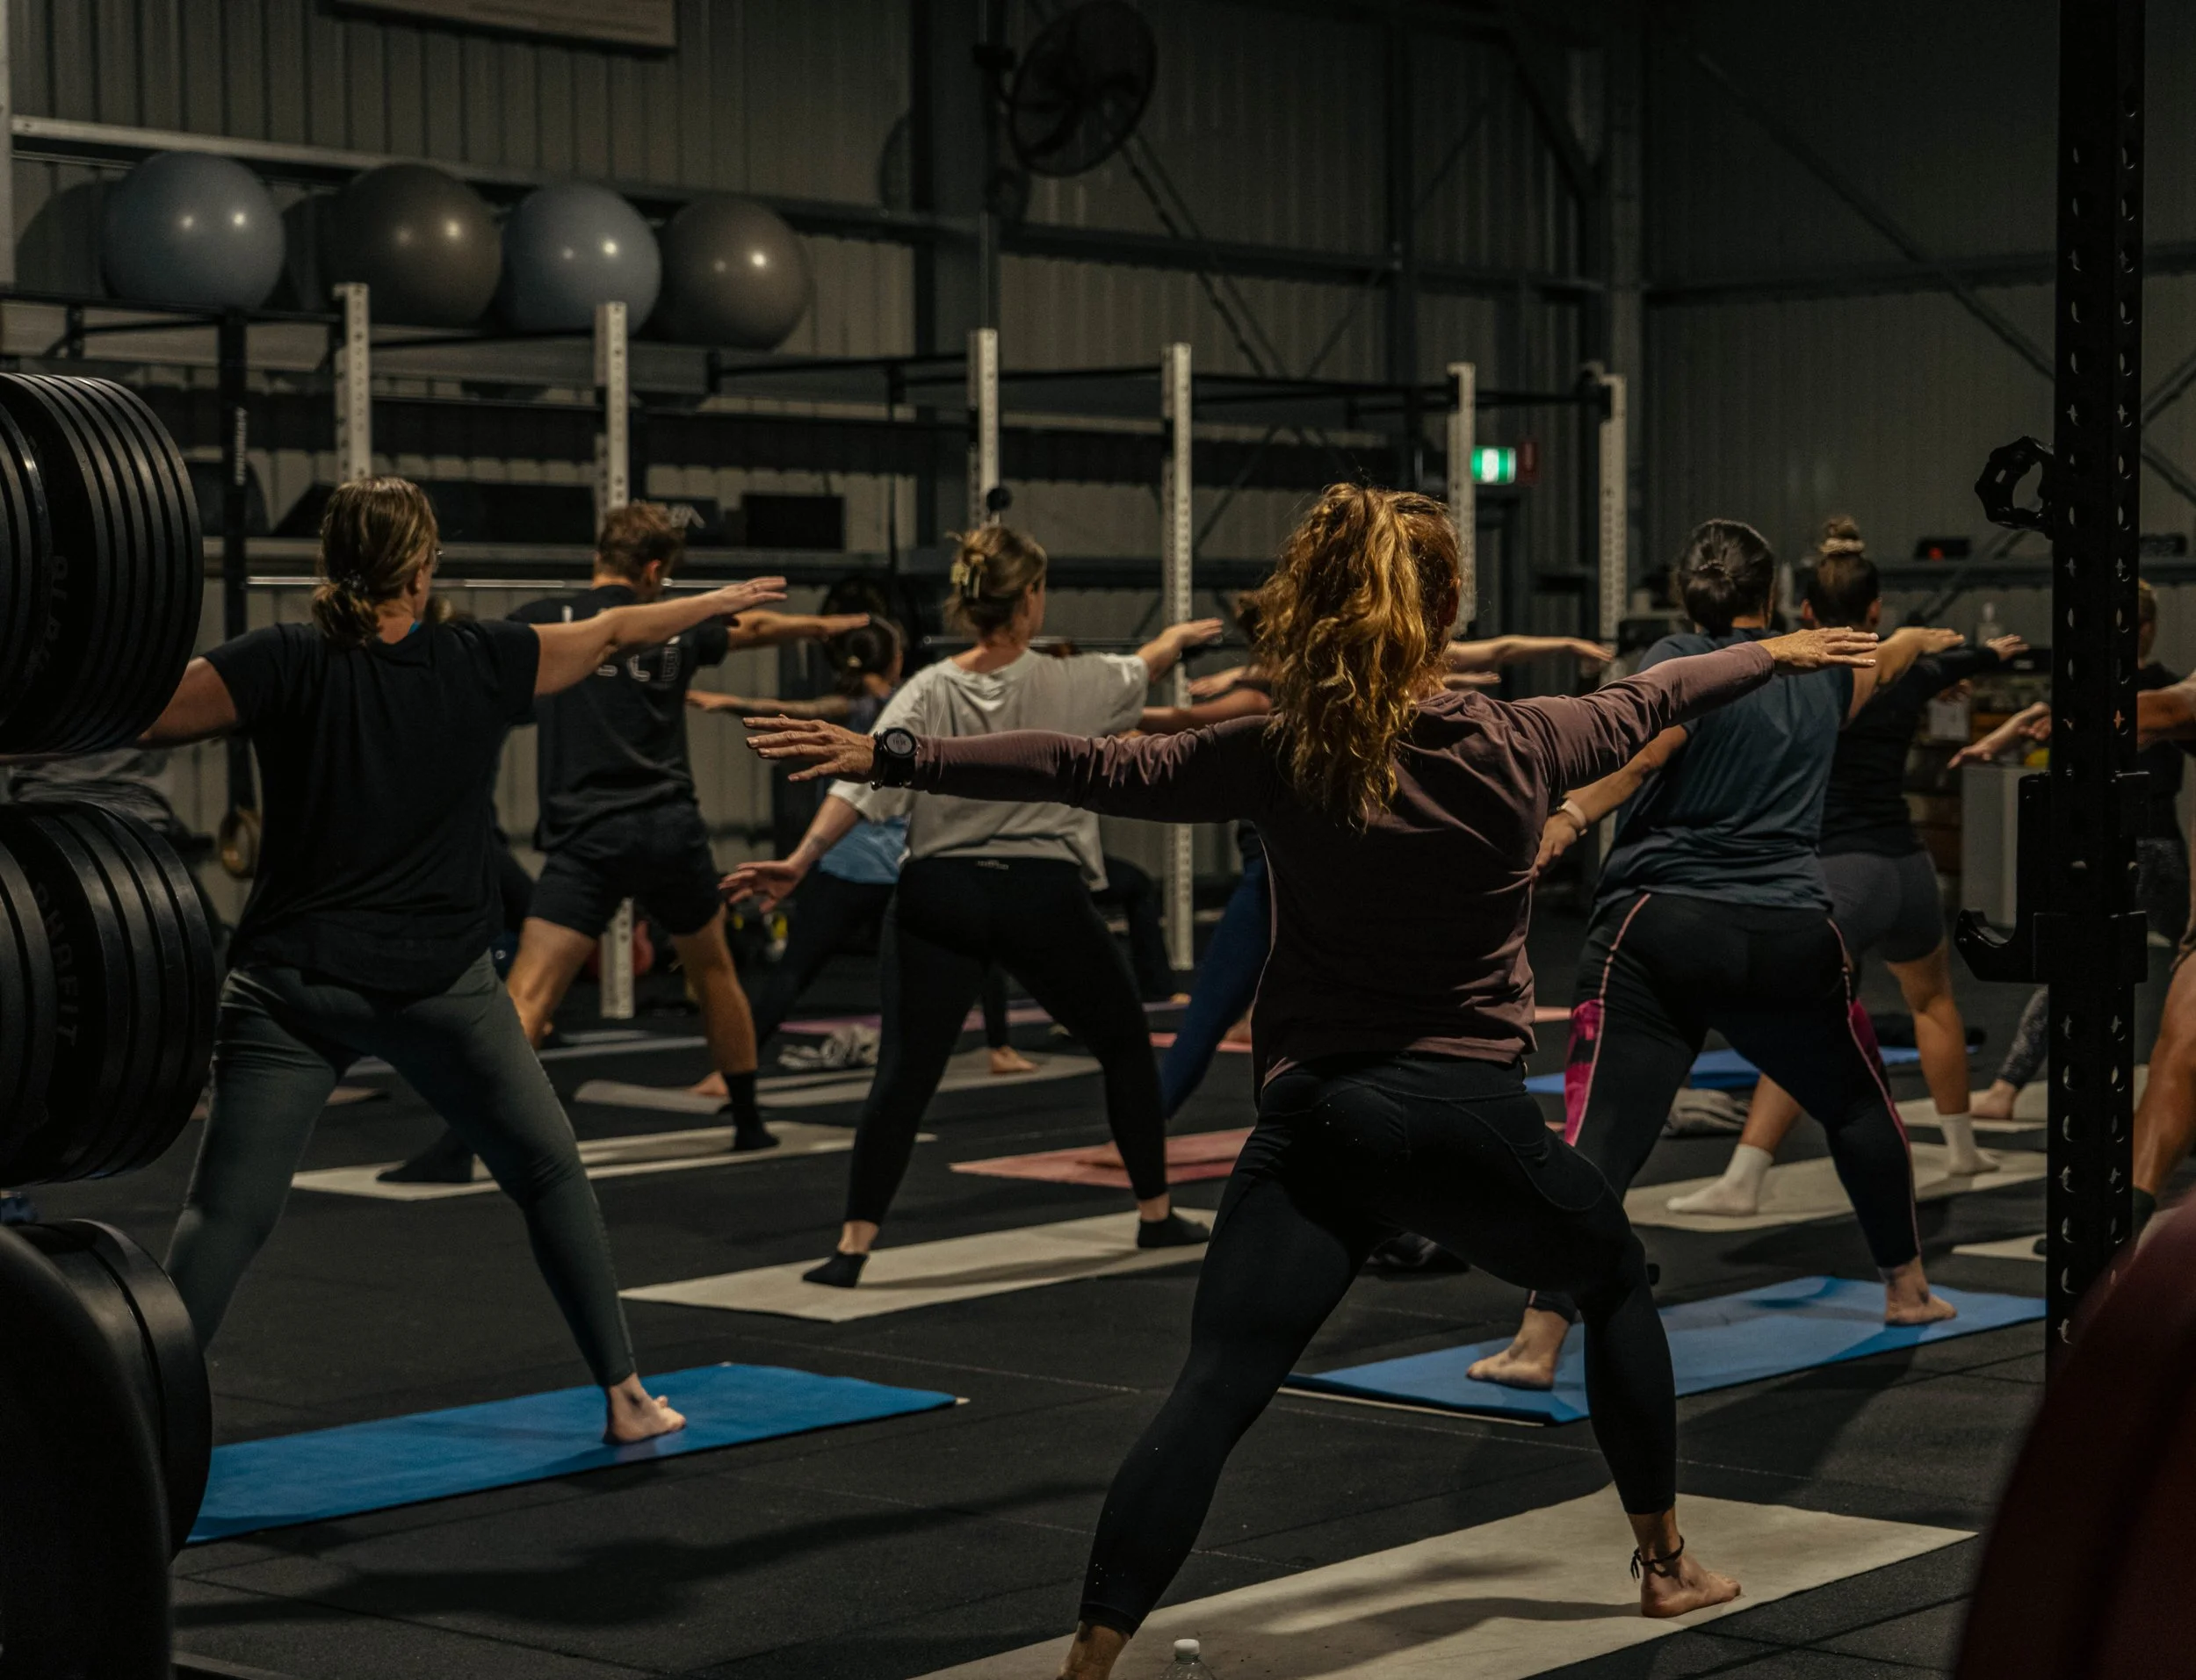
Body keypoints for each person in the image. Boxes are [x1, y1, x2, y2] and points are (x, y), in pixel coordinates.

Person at [745, 483, 1884, 1666]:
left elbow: (1090, 768)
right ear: (1450, 607)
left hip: (1314, 1126)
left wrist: (895, 749)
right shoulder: (1527, 739)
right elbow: (1659, 692)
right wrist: (1776, 649)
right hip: (1464, 1120)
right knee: (1614, 1282)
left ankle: (1092, 1656)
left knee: (1214, 1388)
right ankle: (1666, 1565)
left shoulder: (1287, 750)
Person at [141, 476, 785, 1442]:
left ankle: (133, 1409)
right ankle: (625, 1396)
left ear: (334, 561)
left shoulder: (281, 656)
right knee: (548, 1171)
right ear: (423, 565)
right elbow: (614, 634)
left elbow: (142, 710)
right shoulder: (482, 658)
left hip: (288, 986)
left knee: (225, 1217)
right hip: (436, 986)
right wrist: (714, 602)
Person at [1469, 517, 1956, 1394]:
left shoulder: (1679, 661)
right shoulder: (1820, 678)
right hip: (1788, 933)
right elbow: (1887, 659)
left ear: (1685, 596)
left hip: (1664, 928)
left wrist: (1568, 819)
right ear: (1773, 597)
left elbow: (1642, 753)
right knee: (1856, 1103)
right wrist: (1921, 635)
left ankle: (1537, 1340)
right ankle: (1908, 1288)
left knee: (1603, 1136)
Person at [722, 523, 1224, 1287]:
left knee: (903, 1074)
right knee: (1123, 1044)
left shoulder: (925, 688)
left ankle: (852, 1248)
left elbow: (861, 781)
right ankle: (1155, 1215)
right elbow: (1143, 667)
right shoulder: (1070, 681)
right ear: (1029, 599)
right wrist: (1180, 636)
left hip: (941, 892)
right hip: (1040, 894)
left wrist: (799, 860)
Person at [379, 503, 870, 1184]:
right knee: (715, 970)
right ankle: (750, 1120)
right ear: (653, 570)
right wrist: (828, 625)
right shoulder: (676, 628)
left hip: (590, 835)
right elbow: (754, 627)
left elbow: (466, 655)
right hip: (670, 827)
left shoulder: (549, 618)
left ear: (601, 553)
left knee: (529, 993)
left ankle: (461, 1145)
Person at [1670, 518, 2024, 1215]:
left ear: (1803, 612)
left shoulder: (1802, 676)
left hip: (1840, 874)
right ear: (1875, 610)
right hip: (1907, 868)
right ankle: (1961, 1147)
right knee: (1934, 1000)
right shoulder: (1908, 672)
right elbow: (1959, 661)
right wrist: (1991, 651)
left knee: (1803, 1017)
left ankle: (1744, 1176)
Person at [688, 621, 1033, 1082]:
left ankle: (727, 1075)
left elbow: (789, 712)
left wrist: (729, 702)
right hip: (899, 868)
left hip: (845, 863)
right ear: (893, 660)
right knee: (980, 951)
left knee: (795, 970)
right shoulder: (914, 702)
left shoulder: (855, 706)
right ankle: (1000, 1048)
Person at [1968, 582, 2185, 1125]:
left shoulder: (2143, 691)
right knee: (2115, 962)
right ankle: (2005, 1086)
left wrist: (2002, 738)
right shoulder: (2136, 689)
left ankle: (2005, 1086)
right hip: (2140, 847)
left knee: (2087, 964)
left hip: (2143, 850)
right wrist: (2001, 739)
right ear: (2148, 628)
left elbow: (2058, 709)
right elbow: (2053, 709)